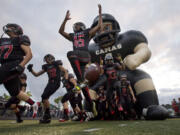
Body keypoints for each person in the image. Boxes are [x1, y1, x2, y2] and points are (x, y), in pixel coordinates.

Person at [88, 14, 169, 120]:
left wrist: (136, 57)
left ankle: (149, 107)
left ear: (114, 27)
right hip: (104, 77)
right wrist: (88, 72)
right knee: (90, 89)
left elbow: (144, 49)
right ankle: (88, 112)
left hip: (126, 73)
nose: (102, 32)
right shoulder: (91, 49)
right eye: (98, 29)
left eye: (106, 27)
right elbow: (86, 68)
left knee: (143, 77)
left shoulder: (129, 38)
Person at [59, 4, 102, 116]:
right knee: (82, 86)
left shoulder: (87, 32)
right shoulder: (73, 36)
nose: (77, 27)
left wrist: (100, 14)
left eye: (79, 25)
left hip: (84, 55)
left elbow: (98, 26)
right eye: (75, 25)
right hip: (78, 61)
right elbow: (61, 31)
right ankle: (91, 106)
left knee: (71, 53)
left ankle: (81, 82)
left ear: (82, 27)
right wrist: (65, 20)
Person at [0, 23, 38, 118]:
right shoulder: (3, 40)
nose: (8, 28)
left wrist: (21, 65)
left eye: (11, 27)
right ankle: (34, 104)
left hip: (14, 64)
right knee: (15, 92)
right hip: (4, 65)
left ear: (16, 29)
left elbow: (29, 54)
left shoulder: (20, 38)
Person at [27, 54, 68, 123]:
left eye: (47, 58)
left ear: (51, 58)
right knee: (43, 99)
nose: (46, 60)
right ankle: (46, 117)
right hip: (50, 83)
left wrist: (66, 80)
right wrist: (31, 70)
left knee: (44, 96)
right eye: (45, 59)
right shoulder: (46, 66)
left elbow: (65, 71)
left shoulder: (56, 63)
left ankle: (47, 116)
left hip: (56, 82)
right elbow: (36, 75)